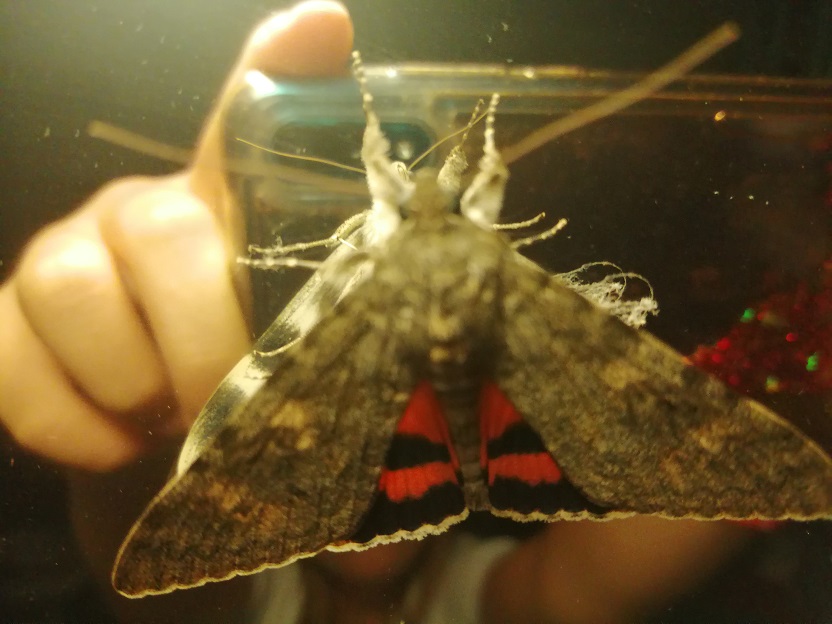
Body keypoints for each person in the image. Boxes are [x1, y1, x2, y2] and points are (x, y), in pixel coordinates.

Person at [0, 2, 751, 622]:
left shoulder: (494, 594)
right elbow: (147, 555)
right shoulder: (230, 597)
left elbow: (678, 514)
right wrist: (133, 406)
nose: (373, 459)